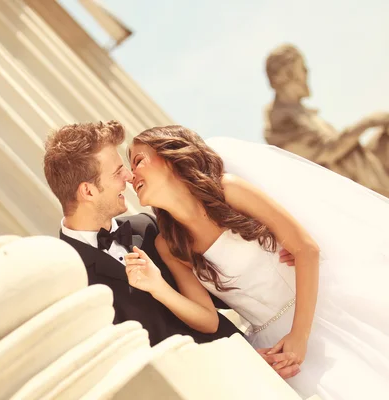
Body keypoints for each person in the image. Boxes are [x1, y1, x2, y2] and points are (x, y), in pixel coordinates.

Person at [125, 125, 389, 399]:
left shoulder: (228, 190)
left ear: (170, 157)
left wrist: (299, 336)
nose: (131, 176)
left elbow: (306, 249)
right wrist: (158, 287)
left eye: (138, 161)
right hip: (275, 348)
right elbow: (208, 320)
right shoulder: (168, 244)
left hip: (322, 312)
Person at [42, 121, 299, 378]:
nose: (129, 177)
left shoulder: (148, 227)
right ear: (87, 191)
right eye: (118, 171)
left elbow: (226, 290)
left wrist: (274, 247)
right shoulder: (71, 284)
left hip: (263, 369)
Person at [263, 44, 389, 197]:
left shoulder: (302, 113)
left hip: (367, 172)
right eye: (302, 68)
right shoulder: (281, 120)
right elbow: (327, 152)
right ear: (287, 74)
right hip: (356, 189)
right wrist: (368, 122)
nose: (307, 72)